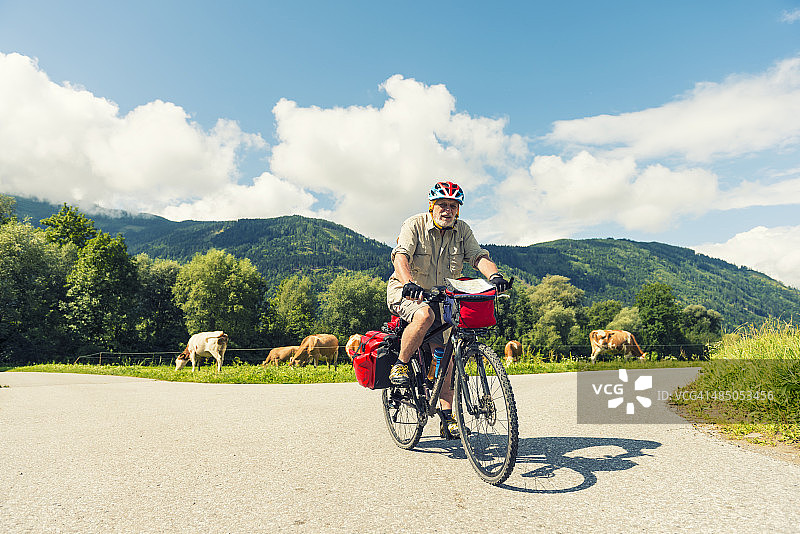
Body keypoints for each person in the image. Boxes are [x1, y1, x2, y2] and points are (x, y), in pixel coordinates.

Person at [386, 181, 511, 439]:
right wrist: (408, 282)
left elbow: (478, 256)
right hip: (407, 290)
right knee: (424, 315)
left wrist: (495, 276)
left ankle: (447, 417)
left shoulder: (462, 230)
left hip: (443, 295)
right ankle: (401, 364)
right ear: (432, 206)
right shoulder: (415, 224)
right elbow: (401, 255)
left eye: (453, 206)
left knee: (447, 356)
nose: (448, 210)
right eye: (442, 204)